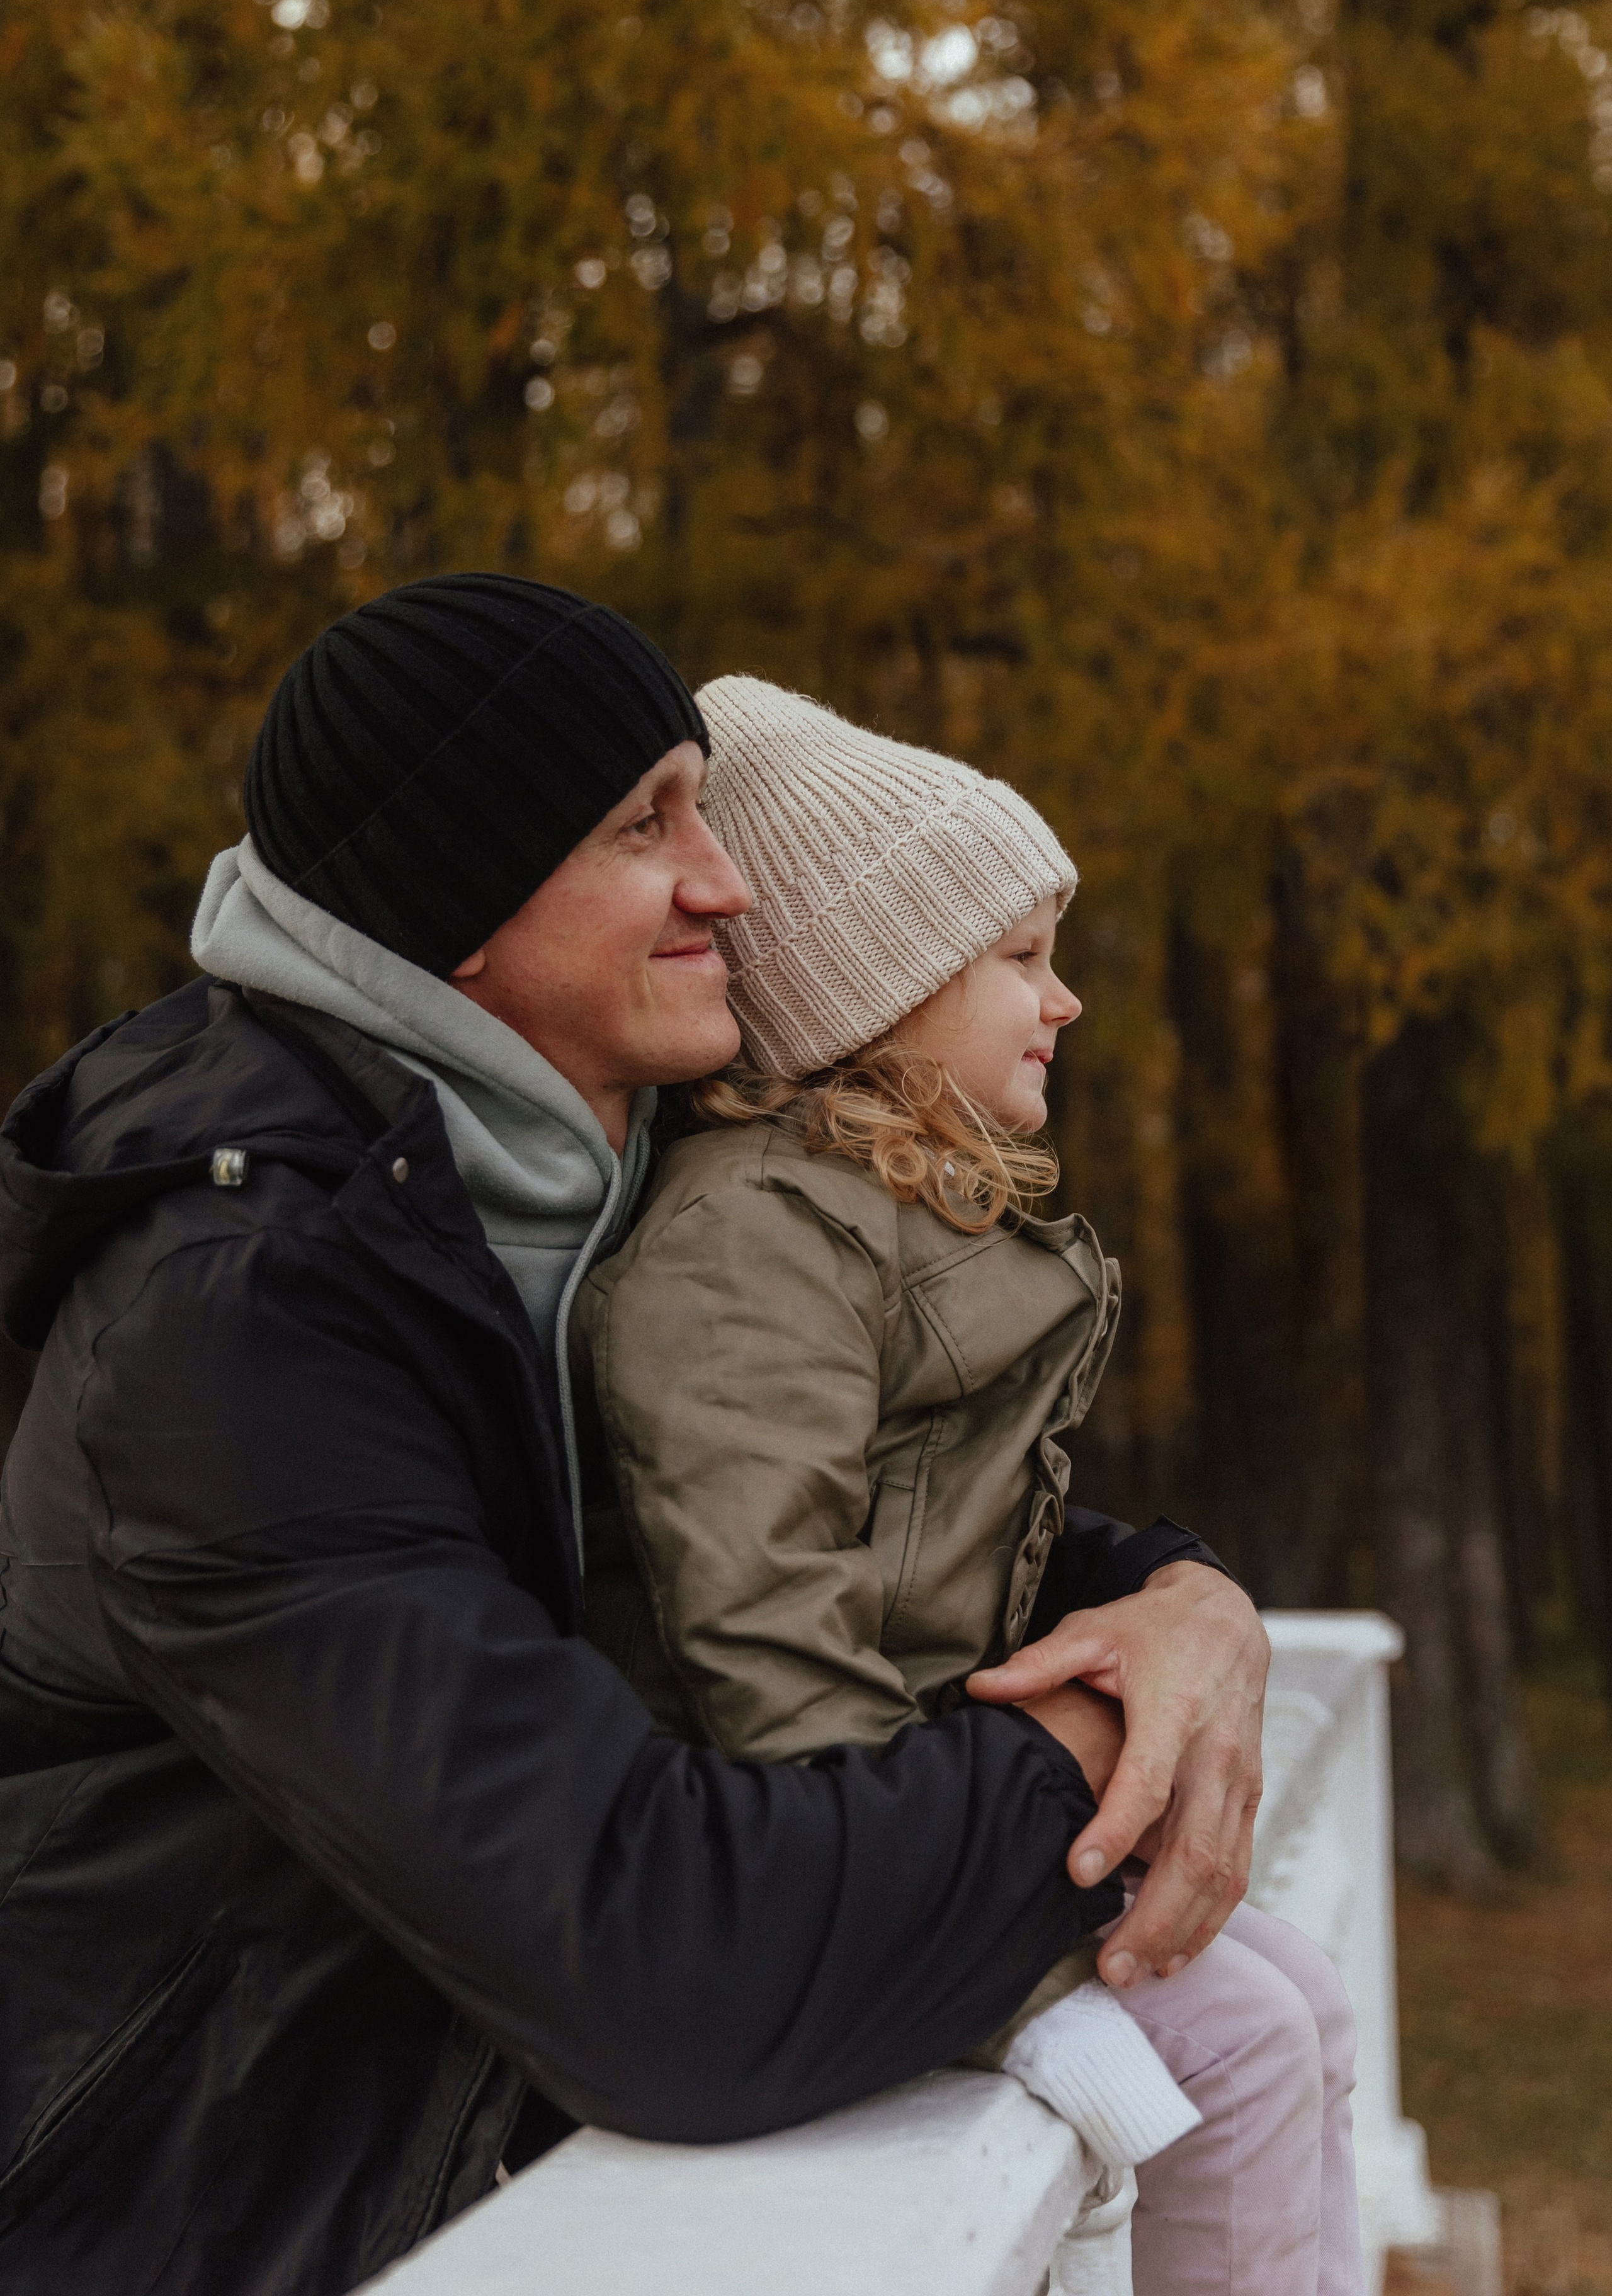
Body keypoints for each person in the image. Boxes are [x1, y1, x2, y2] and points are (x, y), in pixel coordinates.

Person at [0, 576, 1268, 2296]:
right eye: (641, 826)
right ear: (458, 897)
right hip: (216, 2230)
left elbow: (825, 1504)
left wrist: (1174, 1596)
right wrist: (1087, 1737)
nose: (725, 881)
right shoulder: (241, 1320)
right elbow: (658, 1966)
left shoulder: (563, 1186)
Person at [574, 674, 1365, 2296]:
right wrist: (1002, 1981)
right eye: (1019, 958)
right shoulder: (749, 1243)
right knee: (1243, 2052)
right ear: (872, 990)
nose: (1063, 1002)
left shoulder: (876, 1217)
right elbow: (765, 1630)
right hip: (826, 1872)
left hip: (923, 1827)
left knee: (1305, 2000)